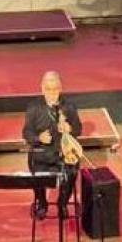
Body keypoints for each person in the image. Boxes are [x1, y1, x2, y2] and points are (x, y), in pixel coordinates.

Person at [21, 71, 82, 220]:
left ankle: (62, 203)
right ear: (42, 89)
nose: (52, 93)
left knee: (72, 171)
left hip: (63, 152)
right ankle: (42, 203)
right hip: (42, 153)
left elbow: (79, 129)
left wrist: (70, 129)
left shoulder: (69, 106)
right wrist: (38, 138)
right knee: (36, 173)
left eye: (55, 89)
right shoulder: (33, 107)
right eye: (48, 89)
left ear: (60, 88)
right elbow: (26, 132)